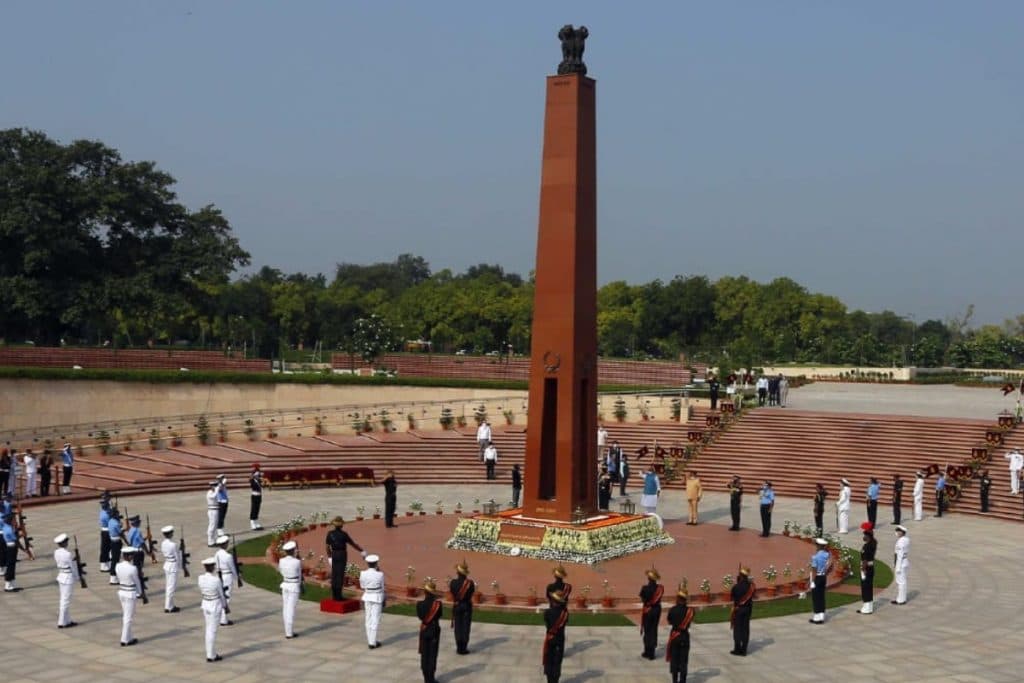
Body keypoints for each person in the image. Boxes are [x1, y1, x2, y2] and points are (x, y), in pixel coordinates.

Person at [326, 516, 366, 601]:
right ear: (341, 525)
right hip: (342, 554)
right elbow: (353, 544)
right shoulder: (344, 534)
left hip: (334, 554)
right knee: (340, 574)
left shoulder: (330, 533)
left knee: (334, 574)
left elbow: (327, 547)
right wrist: (361, 551)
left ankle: (334, 595)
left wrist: (329, 557)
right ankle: (338, 596)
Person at [198, 556, 227, 662]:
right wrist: (225, 606)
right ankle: (211, 655)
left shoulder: (200, 578)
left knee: (208, 629)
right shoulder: (216, 580)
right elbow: (221, 595)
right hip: (214, 604)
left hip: (206, 603)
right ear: (212, 567)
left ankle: (210, 652)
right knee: (212, 631)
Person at [665, 585, 694, 683]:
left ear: (678, 598)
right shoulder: (690, 611)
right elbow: (689, 621)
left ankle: (674, 680)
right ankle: (682, 681)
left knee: (674, 659)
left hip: (675, 635)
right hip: (684, 636)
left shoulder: (672, 610)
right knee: (683, 661)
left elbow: (669, 621)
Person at [417, 579, 443, 683]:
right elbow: (439, 615)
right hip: (434, 630)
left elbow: (420, 616)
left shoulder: (419, 604)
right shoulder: (438, 604)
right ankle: (430, 678)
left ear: (425, 592)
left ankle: (425, 677)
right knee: (432, 654)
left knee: (424, 654)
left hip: (424, 629)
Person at [115, 546, 142, 646]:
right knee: (128, 617)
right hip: (130, 593)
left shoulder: (117, 566)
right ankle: (125, 639)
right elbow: (137, 581)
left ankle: (129, 637)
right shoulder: (132, 568)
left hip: (122, 591)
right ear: (129, 556)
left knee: (126, 615)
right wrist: (140, 593)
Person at [53, 533, 79, 628]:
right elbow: (72, 567)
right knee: (65, 600)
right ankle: (61, 622)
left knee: (63, 599)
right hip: (68, 577)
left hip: (61, 575)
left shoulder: (56, 552)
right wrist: (77, 577)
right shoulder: (67, 554)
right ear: (64, 543)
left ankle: (67, 620)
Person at [543, 589, 569, 683]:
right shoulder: (565, 613)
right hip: (560, 640)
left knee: (549, 660)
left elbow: (547, 624)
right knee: (557, 662)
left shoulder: (547, 612)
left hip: (550, 639)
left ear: (553, 601)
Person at [449, 560, 475, 655]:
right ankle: (464, 647)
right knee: (465, 626)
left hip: (457, 605)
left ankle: (459, 647)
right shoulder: (470, 583)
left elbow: (452, 592)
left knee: (458, 627)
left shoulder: (453, 583)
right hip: (466, 605)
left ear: (458, 572)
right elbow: (471, 593)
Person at [360, 554, 385, 648]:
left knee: (368, 618)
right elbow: (382, 587)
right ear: (376, 563)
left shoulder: (363, 573)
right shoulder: (380, 574)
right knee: (375, 619)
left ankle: (371, 640)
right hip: (377, 597)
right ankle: (372, 642)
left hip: (367, 596)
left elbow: (362, 586)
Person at [639, 567, 664, 660]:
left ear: (648, 578)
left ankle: (647, 651)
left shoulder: (644, 588)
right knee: (654, 629)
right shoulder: (660, 588)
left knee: (647, 630)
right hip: (656, 610)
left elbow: (642, 599)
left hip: (647, 610)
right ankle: (652, 653)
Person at [279, 540, 301, 638]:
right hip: (293, 585)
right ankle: (289, 633)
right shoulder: (297, 562)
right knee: (291, 609)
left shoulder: (281, 560)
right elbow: (299, 575)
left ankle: (287, 631)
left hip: (285, 584)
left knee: (286, 608)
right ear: (293, 550)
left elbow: (281, 571)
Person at [729, 567, 754, 656]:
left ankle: (737, 649)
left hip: (738, 609)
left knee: (737, 629)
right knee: (745, 629)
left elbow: (732, 597)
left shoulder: (736, 587)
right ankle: (744, 650)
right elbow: (753, 595)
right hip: (747, 609)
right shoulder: (751, 586)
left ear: (740, 576)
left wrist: (738, 583)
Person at [214, 535, 237, 625]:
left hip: (220, 575)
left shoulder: (217, 554)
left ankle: (220, 617)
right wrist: (237, 578)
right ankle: (223, 619)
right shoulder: (228, 556)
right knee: (226, 596)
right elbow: (233, 568)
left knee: (221, 596)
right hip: (227, 576)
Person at [809, 538, 831, 624]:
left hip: (817, 577)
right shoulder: (826, 554)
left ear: (818, 546)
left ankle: (817, 617)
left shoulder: (815, 557)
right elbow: (828, 566)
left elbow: (814, 570)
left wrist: (812, 582)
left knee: (816, 597)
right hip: (823, 577)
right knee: (821, 596)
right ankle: (822, 615)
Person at [160, 525, 182, 613]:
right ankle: (169, 607)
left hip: (167, 564)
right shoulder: (173, 545)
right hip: (172, 565)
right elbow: (177, 557)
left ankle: (169, 605)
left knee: (169, 586)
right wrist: (181, 566)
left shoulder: (163, 543)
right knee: (171, 587)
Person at [858, 522, 877, 614]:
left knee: (865, 588)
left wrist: (863, 570)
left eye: (864, 535)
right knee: (869, 587)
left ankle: (866, 607)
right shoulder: (873, 542)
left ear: (868, 536)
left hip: (866, 568)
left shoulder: (867, 546)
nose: (863, 536)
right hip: (871, 567)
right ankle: (868, 607)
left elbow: (865, 560)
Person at [892, 525, 910, 605]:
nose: (896, 533)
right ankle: (901, 598)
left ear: (901, 532)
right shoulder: (906, 539)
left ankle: (901, 600)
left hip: (901, 563)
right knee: (902, 582)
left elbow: (900, 555)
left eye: (898, 531)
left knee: (901, 582)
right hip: (904, 561)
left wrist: (897, 567)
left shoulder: (901, 542)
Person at [2, 512, 18, 591]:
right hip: (11, 547)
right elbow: (15, 539)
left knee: (12, 565)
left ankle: (12, 585)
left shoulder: (7, 526)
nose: (15, 521)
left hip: (11, 546)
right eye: (14, 519)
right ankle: (8, 586)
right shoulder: (9, 529)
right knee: (11, 566)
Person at [107, 506, 124, 584]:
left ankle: (114, 576)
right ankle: (113, 578)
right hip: (116, 542)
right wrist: (127, 542)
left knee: (115, 559)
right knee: (115, 560)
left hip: (112, 541)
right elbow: (121, 533)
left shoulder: (110, 521)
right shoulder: (116, 523)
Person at [98, 495, 112, 571]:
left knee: (107, 548)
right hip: (106, 531)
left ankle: (107, 563)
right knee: (105, 548)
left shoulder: (104, 511)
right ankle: (103, 565)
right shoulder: (105, 514)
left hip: (105, 530)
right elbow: (110, 521)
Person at [248, 465, 263, 530]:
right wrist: (253, 475)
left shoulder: (259, 481)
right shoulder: (252, 481)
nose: (258, 476)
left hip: (259, 496)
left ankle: (256, 522)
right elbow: (251, 481)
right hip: (254, 496)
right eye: (257, 475)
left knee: (257, 509)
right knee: (253, 509)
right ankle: (252, 523)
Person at [205, 481, 219, 546]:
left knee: (215, 526)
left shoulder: (215, 492)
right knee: (212, 526)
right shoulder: (209, 493)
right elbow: (213, 497)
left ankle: (213, 540)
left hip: (216, 510)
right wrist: (217, 490)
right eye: (214, 486)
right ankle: (210, 541)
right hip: (212, 510)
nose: (215, 487)